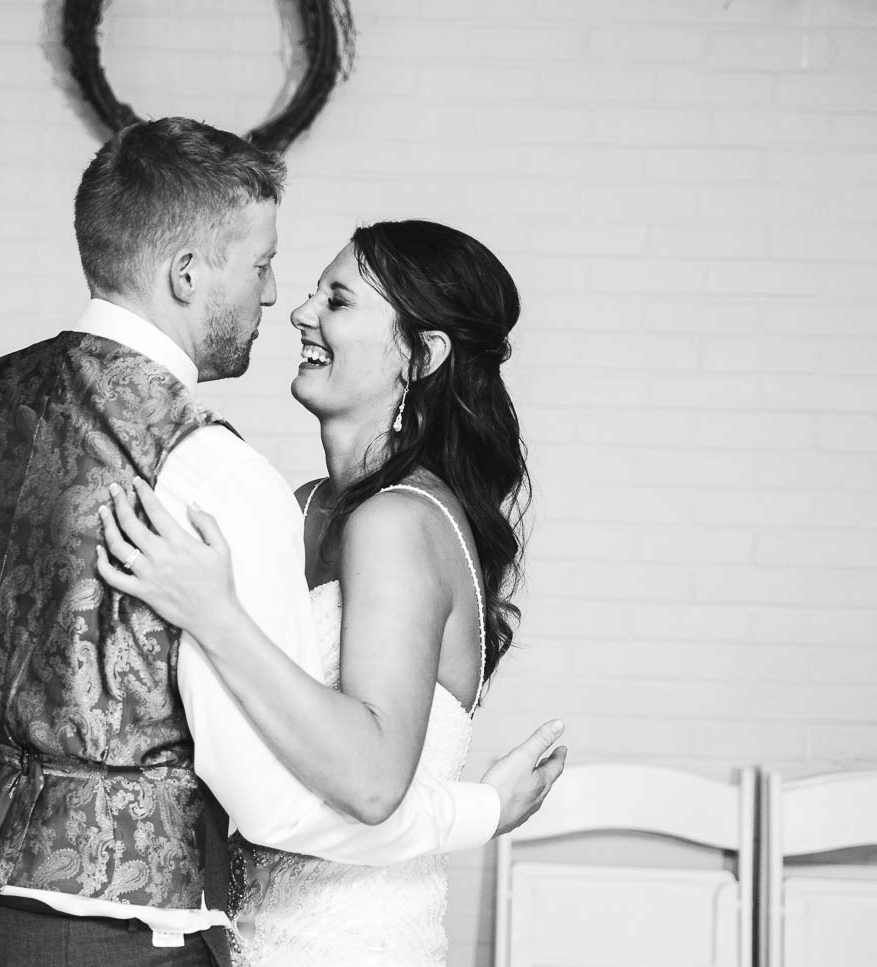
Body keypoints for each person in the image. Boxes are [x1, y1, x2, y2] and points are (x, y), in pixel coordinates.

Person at [0, 118, 565, 967]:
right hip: (118, 939)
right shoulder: (225, 479)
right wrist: (478, 811)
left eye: (333, 299)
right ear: (188, 273)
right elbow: (269, 805)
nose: (283, 301)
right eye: (264, 266)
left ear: (424, 354)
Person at [97, 219, 547, 966]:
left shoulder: (399, 522)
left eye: (337, 301)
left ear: (422, 355)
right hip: (242, 936)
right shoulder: (301, 507)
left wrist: (212, 614)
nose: (301, 313)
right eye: (313, 293)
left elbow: (372, 783)